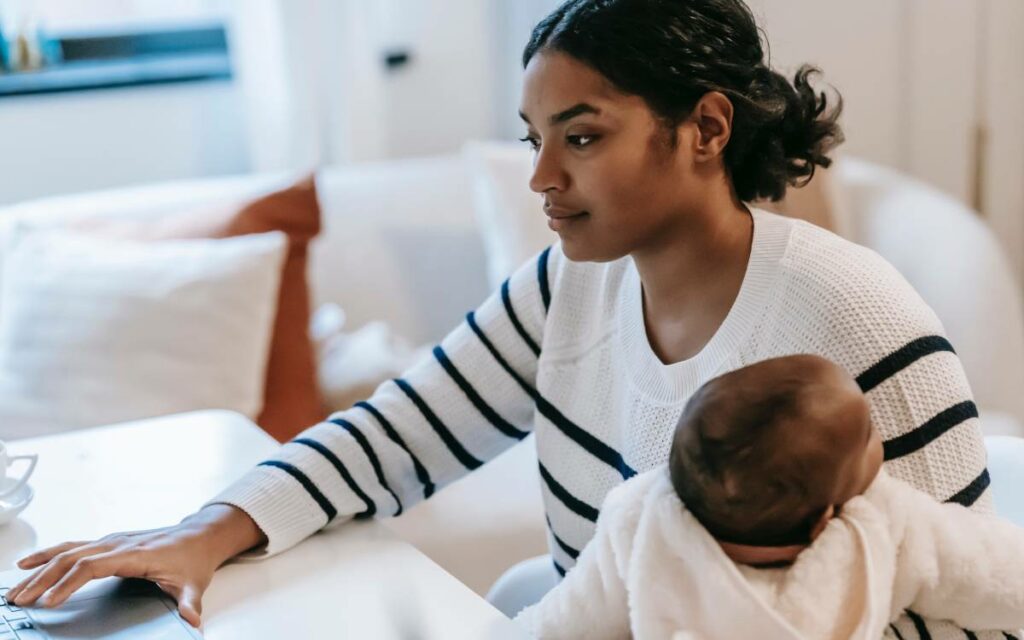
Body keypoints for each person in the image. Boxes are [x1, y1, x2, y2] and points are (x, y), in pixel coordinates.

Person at [6, 1, 998, 637]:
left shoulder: (852, 317)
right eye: (534, 140)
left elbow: (976, 615)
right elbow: (397, 434)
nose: (541, 178)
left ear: (704, 128)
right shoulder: (565, 286)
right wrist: (204, 530)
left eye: (581, 136)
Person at [516, 356, 1024, 639]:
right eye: (869, 433)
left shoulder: (641, 523)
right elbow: (991, 570)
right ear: (824, 515)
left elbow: (563, 622)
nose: (881, 436)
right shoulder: (882, 526)